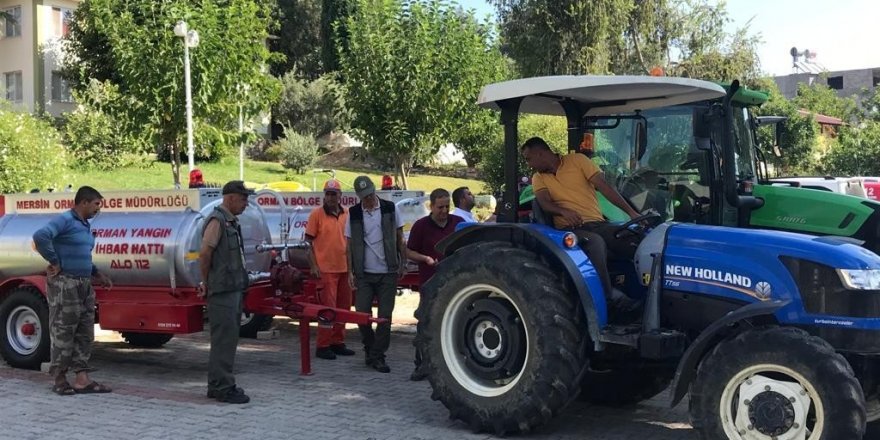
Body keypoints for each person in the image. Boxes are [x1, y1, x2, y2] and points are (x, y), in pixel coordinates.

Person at [520, 137, 642, 312]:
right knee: (595, 243)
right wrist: (563, 212)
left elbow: (605, 187)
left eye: (529, 158)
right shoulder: (538, 178)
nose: (529, 164)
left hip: (597, 223)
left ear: (541, 153)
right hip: (569, 231)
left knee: (632, 238)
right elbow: (545, 203)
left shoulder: (578, 161)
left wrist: (632, 213)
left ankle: (645, 294)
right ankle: (607, 300)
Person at [33, 185, 113, 396]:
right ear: (84, 202)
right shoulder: (65, 219)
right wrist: (53, 261)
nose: (99, 209)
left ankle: (82, 379)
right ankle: (60, 379)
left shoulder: (85, 225)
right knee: (63, 330)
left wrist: (98, 274)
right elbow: (41, 236)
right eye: (96, 204)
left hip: (84, 283)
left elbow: (83, 255)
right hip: (65, 284)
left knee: (84, 331)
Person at [197, 180, 254, 404]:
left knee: (229, 339)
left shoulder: (231, 222)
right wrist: (206, 282)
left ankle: (220, 384)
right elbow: (204, 254)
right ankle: (222, 387)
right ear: (230, 198)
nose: (246, 204)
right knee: (223, 340)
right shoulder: (217, 220)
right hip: (222, 291)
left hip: (233, 288)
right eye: (243, 199)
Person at [345, 175, 407, 373]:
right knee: (361, 314)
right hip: (364, 273)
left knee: (385, 317)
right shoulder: (354, 213)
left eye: (371, 195)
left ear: (374, 191)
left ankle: (378, 356)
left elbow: (399, 238)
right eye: (364, 197)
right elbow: (348, 245)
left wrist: (403, 262)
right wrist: (350, 272)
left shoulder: (390, 208)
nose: (369, 200)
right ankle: (370, 349)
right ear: (359, 196)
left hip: (387, 271)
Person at [406, 188, 463, 381]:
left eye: (447, 206)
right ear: (431, 206)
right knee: (426, 324)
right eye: (440, 207)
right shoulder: (421, 226)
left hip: (455, 285)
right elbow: (408, 252)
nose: (444, 210)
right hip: (430, 283)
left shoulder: (458, 224)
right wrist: (426, 258)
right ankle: (421, 364)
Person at [305, 179, 356, 360]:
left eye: (333, 194)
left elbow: (350, 242)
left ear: (340, 195)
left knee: (343, 308)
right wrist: (313, 266)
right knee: (327, 309)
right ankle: (323, 345)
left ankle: (338, 342)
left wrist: (352, 269)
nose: (330, 197)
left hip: (344, 269)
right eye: (327, 193)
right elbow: (308, 243)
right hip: (325, 270)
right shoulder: (316, 215)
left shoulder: (347, 214)